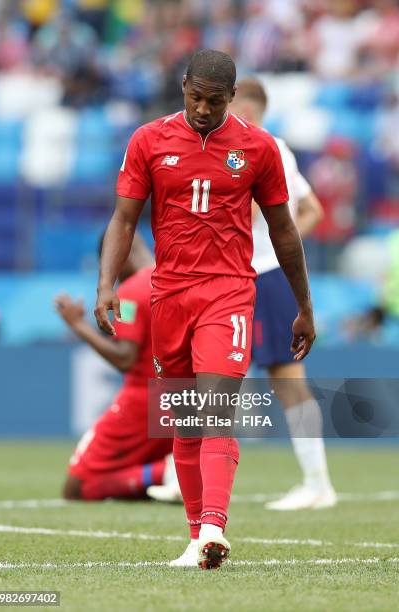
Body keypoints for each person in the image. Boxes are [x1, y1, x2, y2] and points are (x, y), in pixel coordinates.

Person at [95, 49, 315, 569]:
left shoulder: (257, 148)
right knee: (184, 421)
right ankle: (199, 539)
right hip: (168, 293)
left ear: (232, 98)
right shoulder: (148, 140)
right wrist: (106, 283)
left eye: (214, 102)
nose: (202, 109)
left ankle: (215, 524)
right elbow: (124, 219)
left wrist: (304, 305)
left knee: (214, 406)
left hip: (228, 290)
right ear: (184, 87)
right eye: (196, 97)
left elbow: (284, 231)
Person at [231, 77, 336, 510]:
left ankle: (317, 483)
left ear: (246, 111)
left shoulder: (258, 147)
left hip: (259, 274)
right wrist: (286, 240)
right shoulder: (279, 147)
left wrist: (278, 244)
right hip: (257, 272)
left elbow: (253, 208)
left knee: (284, 379)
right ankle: (316, 482)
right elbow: (312, 210)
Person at [56, 233, 174, 501]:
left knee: (77, 487)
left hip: (143, 402)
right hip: (183, 399)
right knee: (120, 472)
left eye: (109, 264)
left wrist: (78, 326)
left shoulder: (131, 293)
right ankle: (175, 469)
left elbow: (125, 357)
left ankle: (165, 472)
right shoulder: (176, 282)